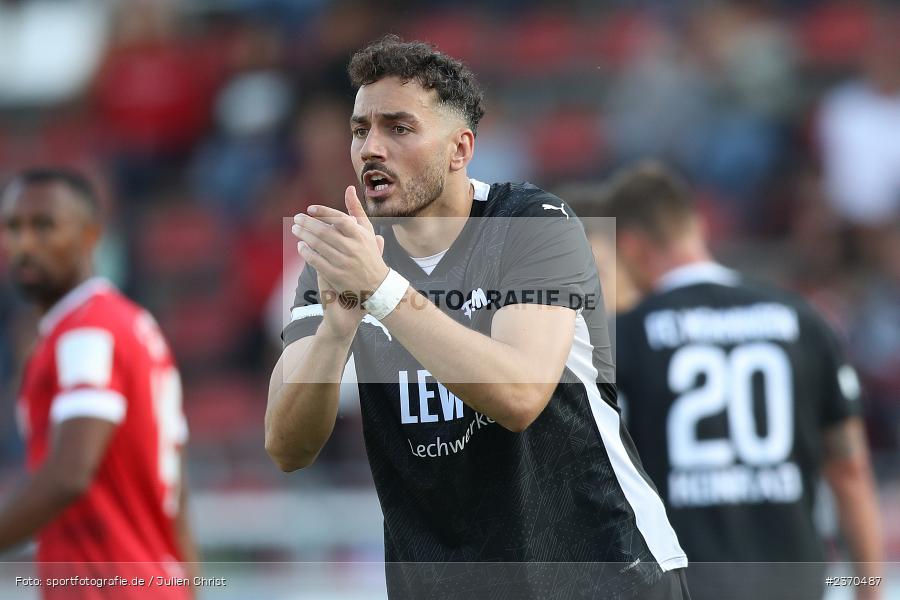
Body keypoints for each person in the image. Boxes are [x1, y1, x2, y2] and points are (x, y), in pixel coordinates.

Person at [265, 36, 690, 599]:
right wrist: (337, 329)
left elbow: (520, 397)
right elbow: (286, 447)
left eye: (399, 128)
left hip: (601, 569)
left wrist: (383, 291)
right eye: (360, 129)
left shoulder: (531, 222)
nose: (371, 148)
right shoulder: (350, 257)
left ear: (459, 149)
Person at [593, 161, 883, 600]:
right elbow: (850, 470)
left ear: (630, 247)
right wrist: (869, 589)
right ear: (697, 226)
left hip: (689, 583)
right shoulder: (803, 320)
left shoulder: (625, 337)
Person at [0, 169, 197, 599]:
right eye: (13, 227)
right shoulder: (132, 323)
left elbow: (70, 474)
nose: (24, 243)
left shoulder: (85, 331)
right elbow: (176, 494)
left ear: (91, 236)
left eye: (44, 226)